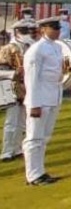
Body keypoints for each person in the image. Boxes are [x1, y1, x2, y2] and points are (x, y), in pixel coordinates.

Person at [23, 17, 65, 186]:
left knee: (44, 138)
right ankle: (32, 175)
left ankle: (40, 171)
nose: (57, 30)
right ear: (43, 29)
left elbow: (56, 74)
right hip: (39, 99)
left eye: (58, 27)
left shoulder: (57, 47)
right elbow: (31, 79)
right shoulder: (36, 50)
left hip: (52, 97)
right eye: (53, 27)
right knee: (34, 138)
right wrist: (34, 105)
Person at [1, 19, 35, 162]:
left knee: (23, 121)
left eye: (28, 31)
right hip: (11, 86)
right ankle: (7, 151)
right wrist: (14, 73)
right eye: (23, 31)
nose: (27, 34)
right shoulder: (7, 49)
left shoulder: (31, 47)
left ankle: (17, 148)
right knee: (11, 121)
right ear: (16, 32)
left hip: (27, 86)